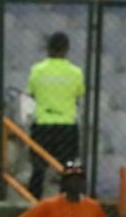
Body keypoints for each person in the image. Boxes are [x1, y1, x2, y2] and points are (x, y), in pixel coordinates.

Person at [27, 32, 84, 199]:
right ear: (66, 50)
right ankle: (68, 201)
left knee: (38, 169)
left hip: (43, 124)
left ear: (48, 49)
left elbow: (32, 93)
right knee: (68, 168)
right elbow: (78, 94)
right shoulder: (76, 72)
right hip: (67, 125)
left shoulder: (37, 70)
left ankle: (33, 201)